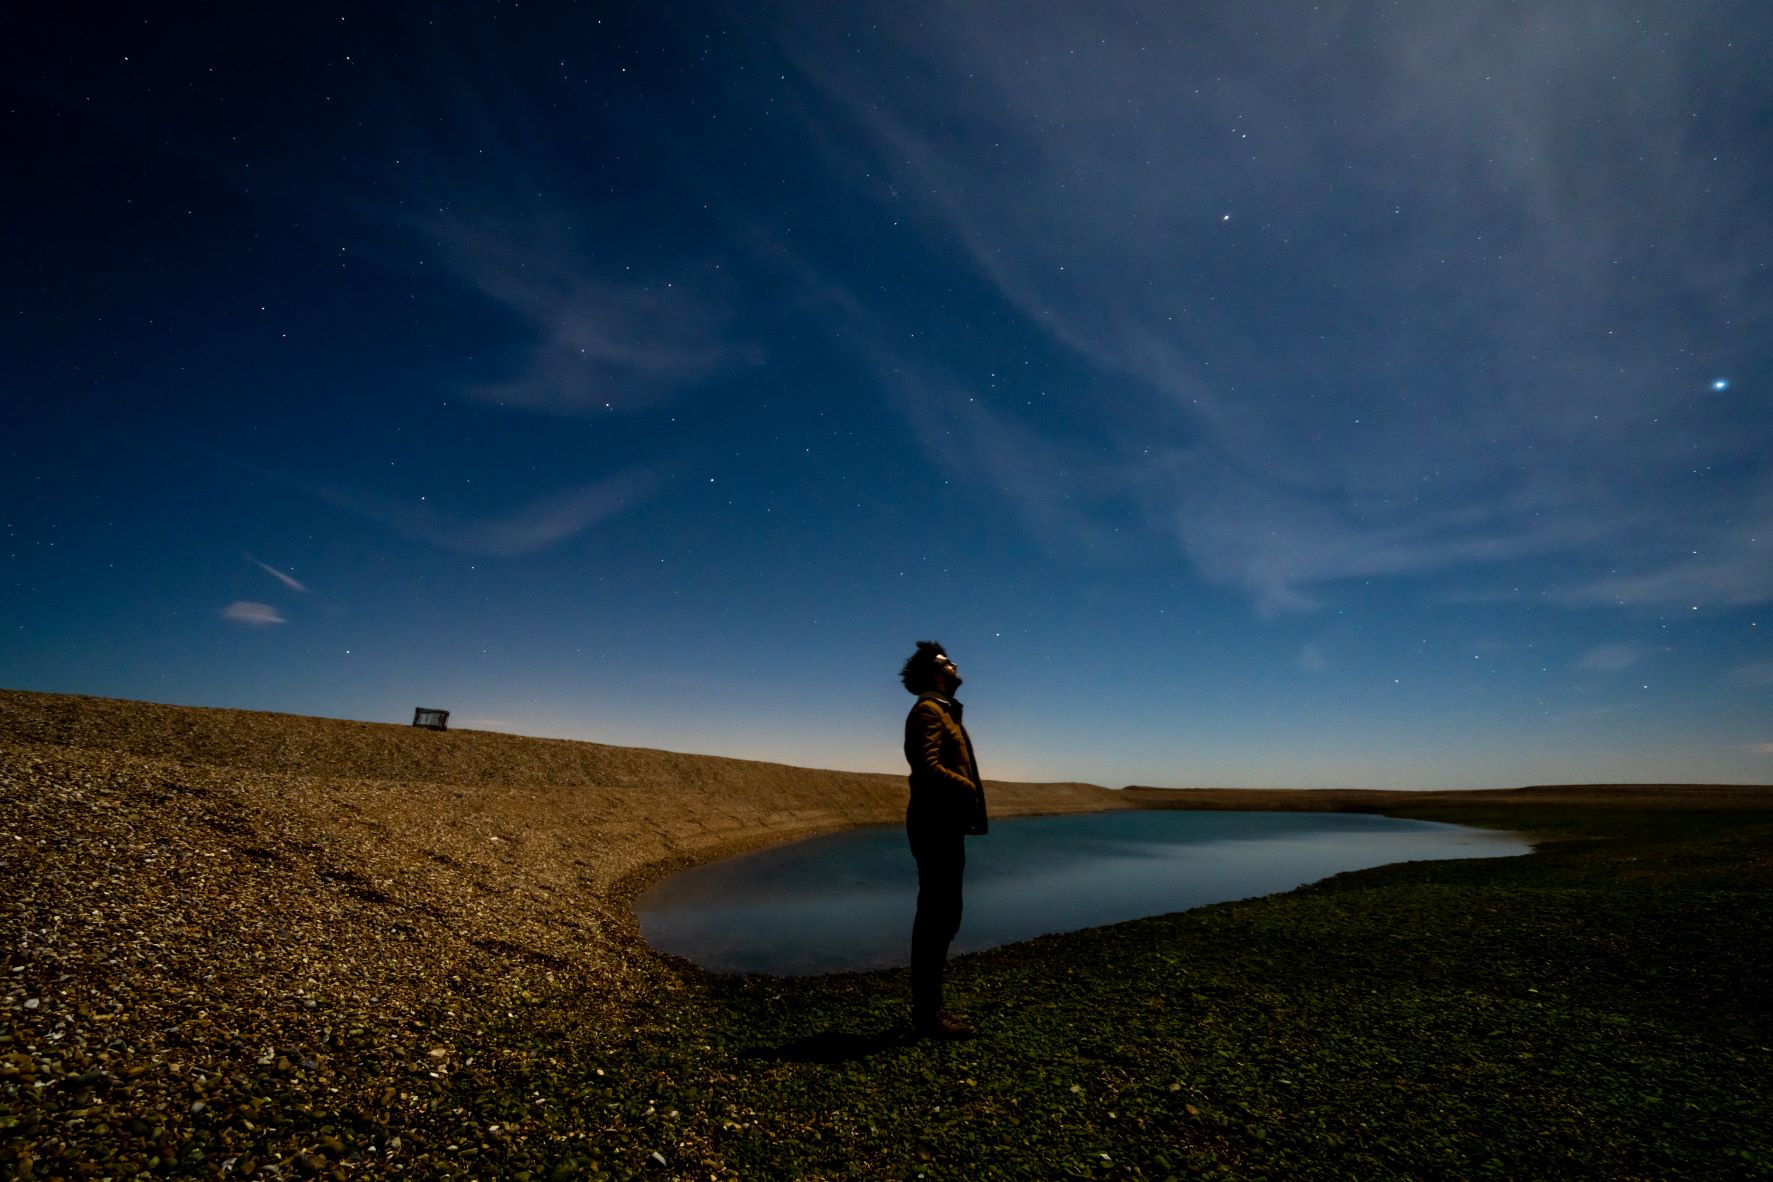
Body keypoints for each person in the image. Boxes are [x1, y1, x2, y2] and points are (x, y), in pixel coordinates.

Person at [900, 640, 988, 1039]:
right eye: (945, 662)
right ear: (935, 674)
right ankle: (928, 1017)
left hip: (944, 826)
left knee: (944, 917)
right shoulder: (927, 711)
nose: (954, 664)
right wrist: (966, 787)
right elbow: (926, 766)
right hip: (935, 828)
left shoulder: (943, 711)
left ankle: (931, 1010)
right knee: (937, 919)